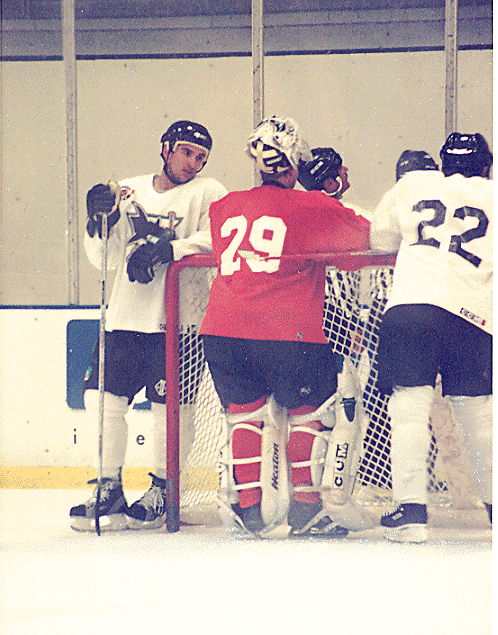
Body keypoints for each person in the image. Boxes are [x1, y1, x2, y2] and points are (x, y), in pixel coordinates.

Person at [199, 116, 371, 537]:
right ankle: (308, 509)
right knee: (311, 415)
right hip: (287, 331)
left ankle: (250, 510)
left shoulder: (224, 206)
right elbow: (362, 242)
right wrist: (327, 200)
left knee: (244, 416)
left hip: (222, 329)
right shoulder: (310, 206)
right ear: (295, 161)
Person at [70, 120, 228, 532]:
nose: (193, 162)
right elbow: (103, 259)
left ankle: (163, 489)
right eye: (186, 152)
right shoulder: (128, 190)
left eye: (201, 156)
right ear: (166, 148)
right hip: (123, 319)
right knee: (103, 402)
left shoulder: (208, 191)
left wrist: (170, 249)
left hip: (181, 323)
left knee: (171, 412)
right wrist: (97, 221)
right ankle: (108, 488)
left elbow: (218, 238)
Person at [370, 134, 493, 542]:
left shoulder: (414, 183)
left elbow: (380, 239)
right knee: (477, 415)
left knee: (408, 406)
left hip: (412, 306)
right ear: (486, 166)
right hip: (472, 314)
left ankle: (410, 512)